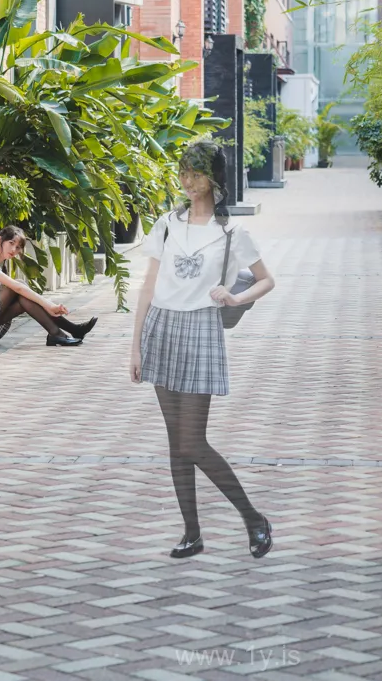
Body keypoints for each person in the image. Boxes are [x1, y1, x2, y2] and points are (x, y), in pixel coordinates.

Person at [129, 139, 277, 560]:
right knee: (177, 442)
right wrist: (135, 346)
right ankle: (191, 533)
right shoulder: (168, 223)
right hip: (161, 326)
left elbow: (267, 280)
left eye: (194, 172)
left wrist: (236, 297)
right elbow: (148, 286)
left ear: (213, 177)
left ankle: (253, 518)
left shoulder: (233, 231)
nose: (186, 180)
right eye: (183, 172)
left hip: (200, 330)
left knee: (193, 442)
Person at [0, 226, 97, 347]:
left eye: (18, 247)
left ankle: (61, 332)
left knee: (23, 301)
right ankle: (65, 331)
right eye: (11, 243)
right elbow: (18, 288)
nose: (14, 250)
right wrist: (49, 305)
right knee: (19, 285)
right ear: (0, 240)